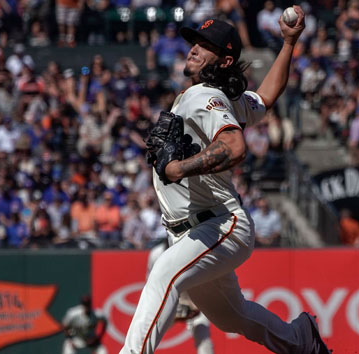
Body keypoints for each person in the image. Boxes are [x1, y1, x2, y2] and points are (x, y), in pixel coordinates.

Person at [121, 9, 330, 354]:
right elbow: (264, 98)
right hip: (193, 231)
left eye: (205, 45)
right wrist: (289, 43)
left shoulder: (205, 96)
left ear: (225, 58)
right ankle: (300, 339)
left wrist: (179, 169)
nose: (194, 49)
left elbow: (234, 147)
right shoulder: (224, 98)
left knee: (163, 274)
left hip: (220, 224)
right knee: (231, 318)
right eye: (194, 41)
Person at [147, 238, 215, 354]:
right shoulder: (157, 254)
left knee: (203, 335)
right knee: (148, 333)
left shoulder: (195, 249)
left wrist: (194, 305)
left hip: (192, 298)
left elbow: (205, 279)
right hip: (167, 299)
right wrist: (167, 307)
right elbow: (151, 285)